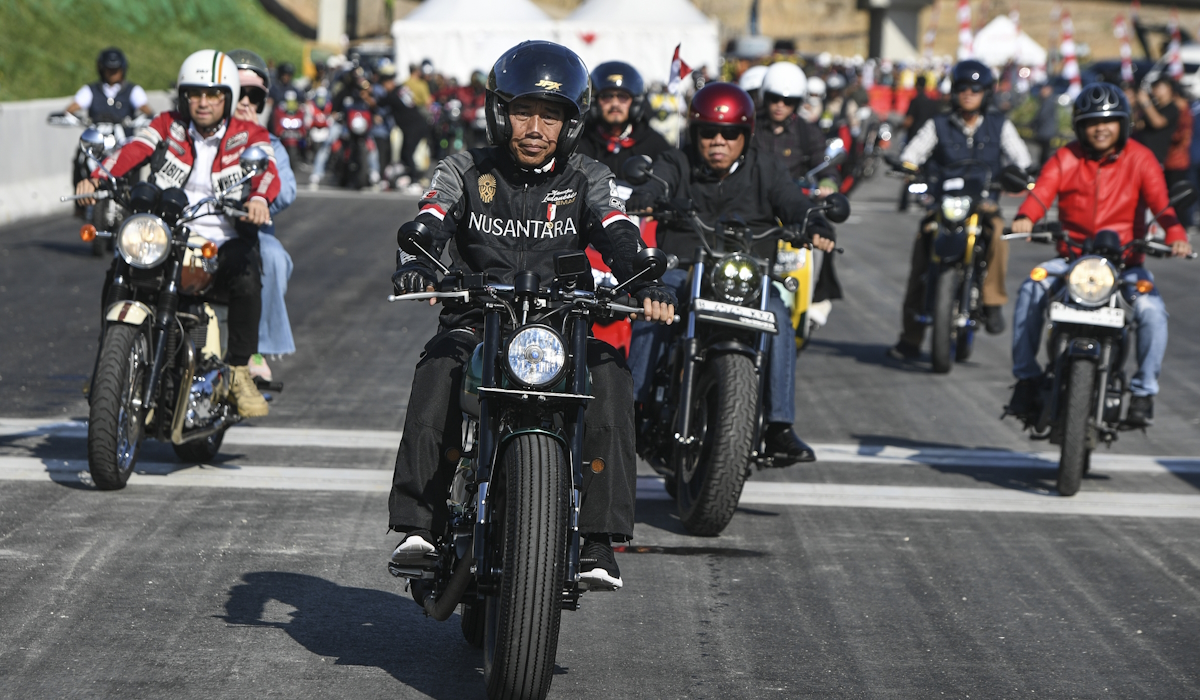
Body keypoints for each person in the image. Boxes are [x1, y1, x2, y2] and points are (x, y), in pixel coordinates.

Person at [386, 41, 676, 590]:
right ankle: (418, 525)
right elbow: (430, 217)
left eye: (551, 115)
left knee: (612, 373)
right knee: (439, 366)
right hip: (478, 319)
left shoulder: (588, 175)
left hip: (562, 325)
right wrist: (417, 260)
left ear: (571, 122)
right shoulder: (465, 168)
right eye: (523, 112)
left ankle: (596, 542)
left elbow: (619, 230)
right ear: (500, 113)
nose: (535, 127)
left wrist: (645, 273)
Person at [625, 82, 836, 465]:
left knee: (778, 315)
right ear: (695, 133)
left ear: (745, 135)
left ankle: (778, 427)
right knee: (656, 300)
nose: (718, 141)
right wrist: (648, 195)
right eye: (709, 132)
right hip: (686, 266)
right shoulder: (679, 160)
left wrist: (813, 221)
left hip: (749, 275)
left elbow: (792, 201)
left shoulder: (766, 167)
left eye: (729, 133)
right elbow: (658, 178)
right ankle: (631, 408)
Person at [75, 50, 280, 418]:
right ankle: (108, 362)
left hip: (220, 240)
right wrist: (99, 176)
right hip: (164, 233)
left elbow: (267, 169)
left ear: (228, 97)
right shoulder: (166, 124)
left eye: (213, 95)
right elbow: (133, 148)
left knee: (248, 272)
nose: (203, 103)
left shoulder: (251, 134)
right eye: (195, 94)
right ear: (184, 96)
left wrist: (260, 198)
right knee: (119, 268)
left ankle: (237, 372)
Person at [1006, 83, 1193, 425]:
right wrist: (1025, 218)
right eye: (1092, 122)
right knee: (1031, 288)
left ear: (1123, 124)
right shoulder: (1066, 157)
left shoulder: (1141, 158)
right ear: (1080, 126)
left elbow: (1162, 204)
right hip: (1071, 260)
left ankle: (1143, 392)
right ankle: (1027, 379)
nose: (1101, 128)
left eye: (1109, 120)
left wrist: (1177, 234)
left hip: (1125, 265)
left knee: (1153, 311)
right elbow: (1041, 192)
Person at [887, 59, 1033, 361]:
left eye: (975, 89)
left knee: (996, 234)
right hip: (943, 204)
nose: (968, 93)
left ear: (986, 93)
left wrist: (1020, 174)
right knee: (921, 255)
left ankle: (992, 302)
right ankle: (910, 339)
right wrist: (908, 167)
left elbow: (1021, 158)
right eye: (962, 88)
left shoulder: (1000, 124)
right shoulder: (937, 124)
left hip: (983, 203)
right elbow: (913, 153)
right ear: (953, 91)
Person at [228, 49, 298, 381]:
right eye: (237, 93)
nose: (245, 103)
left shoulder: (269, 142)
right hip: (197, 226)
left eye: (254, 96)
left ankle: (255, 348)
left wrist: (255, 200)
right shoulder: (200, 135)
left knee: (272, 257)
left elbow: (285, 191)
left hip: (250, 232)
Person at [576, 61, 671, 177]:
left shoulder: (655, 145)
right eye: (607, 96)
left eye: (622, 97)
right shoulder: (580, 142)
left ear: (636, 102)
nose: (615, 104)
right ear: (594, 101)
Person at [65, 47, 155, 123]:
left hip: (125, 139)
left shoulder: (133, 90)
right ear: (102, 70)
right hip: (97, 139)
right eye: (109, 69)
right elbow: (73, 107)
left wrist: (148, 117)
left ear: (122, 69)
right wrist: (71, 116)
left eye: (116, 69)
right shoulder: (90, 90)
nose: (113, 73)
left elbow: (145, 108)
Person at [1132, 77, 1180, 168]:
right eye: (1154, 87)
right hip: (1141, 157)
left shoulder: (1172, 108)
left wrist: (1146, 102)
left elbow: (1157, 122)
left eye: (1159, 87)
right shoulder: (1154, 108)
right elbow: (1137, 125)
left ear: (1169, 89)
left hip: (1156, 159)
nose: (1155, 90)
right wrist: (1136, 105)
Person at [1030, 83, 1060, 166]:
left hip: (1046, 131)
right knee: (1044, 151)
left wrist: (1033, 123)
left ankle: (1043, 168)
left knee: (1045, 153)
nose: (1041, 91)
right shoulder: (1046, 100)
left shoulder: (1048, 101)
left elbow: (1042, 115)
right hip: (1046, 131)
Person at [903, 75, 940, 143]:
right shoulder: (932, 102)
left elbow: (908, 121)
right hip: (928, 137)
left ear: (917, 85)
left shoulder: (915, 101)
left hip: (914, 136)